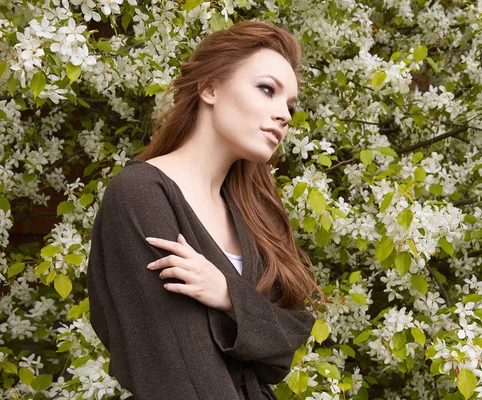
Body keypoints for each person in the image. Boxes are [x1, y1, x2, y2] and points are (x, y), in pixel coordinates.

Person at [86, 20, 324, 400]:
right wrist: (251, 322)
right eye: (267, 90)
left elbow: (280, 356)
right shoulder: (141, 194)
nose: (284, 115)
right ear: (210, 88)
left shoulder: (253, 214)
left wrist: (228, 294)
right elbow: (176, 367)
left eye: (290, 106)